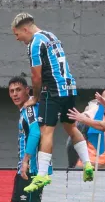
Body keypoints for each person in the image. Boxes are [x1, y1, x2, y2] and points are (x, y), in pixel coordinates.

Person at [12, 13, 94, 192]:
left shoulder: (34, 43)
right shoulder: (51, 36)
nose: (19, 39)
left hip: (53, 90)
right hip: (69, 87)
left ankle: (41, 175)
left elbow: (36, 75)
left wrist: (36, 97)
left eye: (17, 35)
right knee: (71, 127)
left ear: (25, 29)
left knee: (46, 131)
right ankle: (87, 164)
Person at [7, 76, 74, 202]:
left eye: (18, 90)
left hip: (32, 168)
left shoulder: (29, 110)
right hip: (23, 167)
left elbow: (36, 132)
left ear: (28, 90)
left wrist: (27, 160)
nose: (15, 94)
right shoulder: (24, 111)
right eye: (12, 91)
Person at [66, 88, 105, 169]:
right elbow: (72, 143)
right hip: (87, 169)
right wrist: (72, 167)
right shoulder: (88, 117)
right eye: (103, 100)